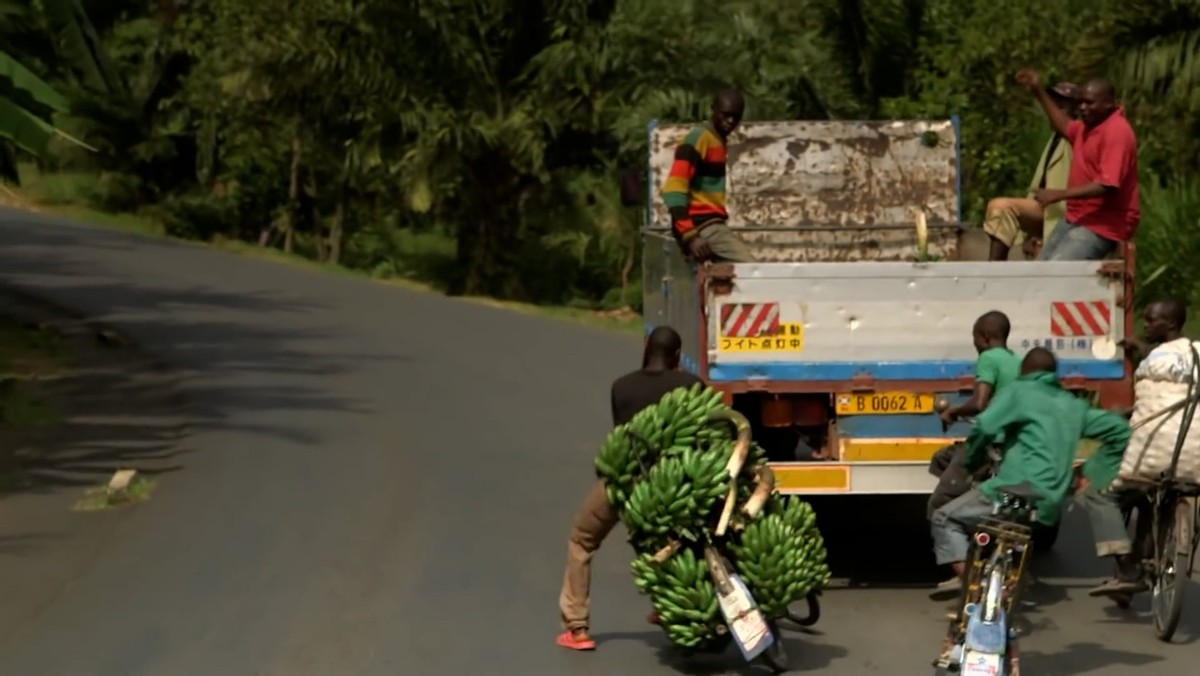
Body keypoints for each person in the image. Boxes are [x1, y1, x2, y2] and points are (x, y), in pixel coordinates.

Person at [929, 347, 1132, 603]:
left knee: (945, 518)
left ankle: (969, 579)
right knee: (1012, 526)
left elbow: (985, 426)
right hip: (1048, 503)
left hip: (1009, 491)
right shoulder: (1073, 405)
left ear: (1024, 371)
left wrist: (971, 461)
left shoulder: (1018, 392)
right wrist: (1091, 471)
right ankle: (1014, 577)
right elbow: (1121, 433)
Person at [556, 325, 704, 651]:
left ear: (646, 347)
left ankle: (577, 628)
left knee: (581, 540)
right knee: (670, 543)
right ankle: (670, 607)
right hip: (671, 484)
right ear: (677, 356)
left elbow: (621, 436)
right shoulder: (691, 386)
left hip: (624, 481)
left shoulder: (621, 387)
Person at [1079, 299, 1192, 597]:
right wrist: (1139, 346)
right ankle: (1148, 557)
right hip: (1190, 455)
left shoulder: (1154, 360)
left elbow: (1151, 401)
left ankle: (1128, 570)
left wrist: (1123, 414)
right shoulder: (1193, 354)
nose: (1145, 324)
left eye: (1151, 320)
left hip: (1154, 455)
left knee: (1099, 494)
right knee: (1151, 495)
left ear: (1170, 323)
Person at [1015, 70, 1140, 261]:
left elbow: (1107, 185)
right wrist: (1037, 90)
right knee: (1040, 269)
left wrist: (1059, 194)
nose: (1082, 108)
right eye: (1080, 102)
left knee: (1059, 270)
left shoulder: (1117, 132)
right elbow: (1062, 125)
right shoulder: (1087, 128)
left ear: (1108, 103)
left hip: (1104, 223)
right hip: (1077, 217)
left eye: (1089, 103)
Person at [927, 311, 1022, 520]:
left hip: (989, 444)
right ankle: (970, 498)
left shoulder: (988, 358)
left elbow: (979, 403)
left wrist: (953, 412)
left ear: (985, 337)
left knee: (938, 508)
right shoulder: (1018, 361)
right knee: (942, 458)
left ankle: (956, 521)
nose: (975, 345)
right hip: (1013, 445)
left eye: (975, 339)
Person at [982, 83, 1081, 261]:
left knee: (1001, 206)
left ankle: (994, 268)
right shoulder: (1055, 139)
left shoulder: (1079, 135)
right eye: (1054, 106)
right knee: (1000, 208)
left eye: (1062, 107)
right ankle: (995, 267)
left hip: (1064, 210)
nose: (1055, 112)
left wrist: (1036, 88)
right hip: (1047, 208)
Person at [662, 90, 755, 264]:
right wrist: (690, 235)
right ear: (713, 109)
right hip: (704, 226)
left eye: (736, 117)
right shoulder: (699, 138)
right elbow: (673, 191)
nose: (731, 121)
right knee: (752, 271)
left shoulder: (717, 140)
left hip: (711, 225)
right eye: (725, 115)